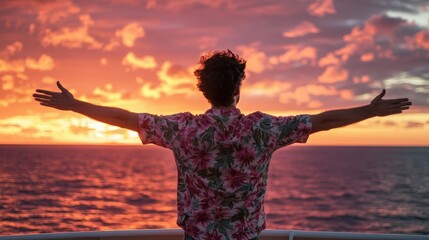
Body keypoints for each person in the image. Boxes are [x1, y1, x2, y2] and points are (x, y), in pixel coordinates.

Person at [33, 50, 411, 240]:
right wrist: (370, 111)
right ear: (238, 87)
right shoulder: (263, 130)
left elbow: (125, 118)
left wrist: (75, 105)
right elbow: (323, 120)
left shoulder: (183, 130)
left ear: (204, 90)